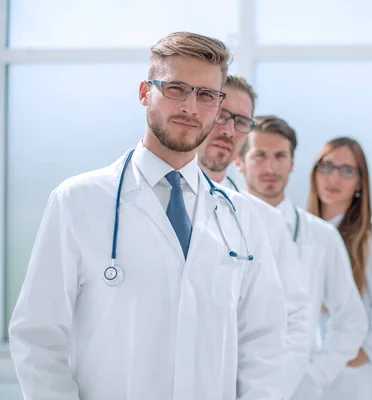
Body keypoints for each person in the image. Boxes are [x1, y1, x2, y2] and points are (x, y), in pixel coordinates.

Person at [8, 32, 289, 400]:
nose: (191, 107)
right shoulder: (78, 201)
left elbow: (264, 343)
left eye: (206, 95)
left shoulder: (243, 217)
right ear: (145, 92)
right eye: (176, 89)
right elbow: (39, 338)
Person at [234, 116, 372, 399]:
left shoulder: (321, 237)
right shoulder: (219, 227)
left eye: (280, 156)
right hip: (230, 382)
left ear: (293, 163)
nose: (271, 167)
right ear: (239, 162)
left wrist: (314, 377)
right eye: (260, 156)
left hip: (294, 386)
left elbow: (351, 321)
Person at [195, 75, 312, 399]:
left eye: (241, 121)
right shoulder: (155, 204)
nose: (229, 129)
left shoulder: (264, 222)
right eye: (221, 115)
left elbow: (294, 321)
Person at [304, 136, 372, 400]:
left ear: (360, 182)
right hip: (302, 374)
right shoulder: (299, 231)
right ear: (314, 173)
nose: (334, 178)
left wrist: (358, 355)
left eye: (347, 170)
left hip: (350, 384)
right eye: (326, 167)